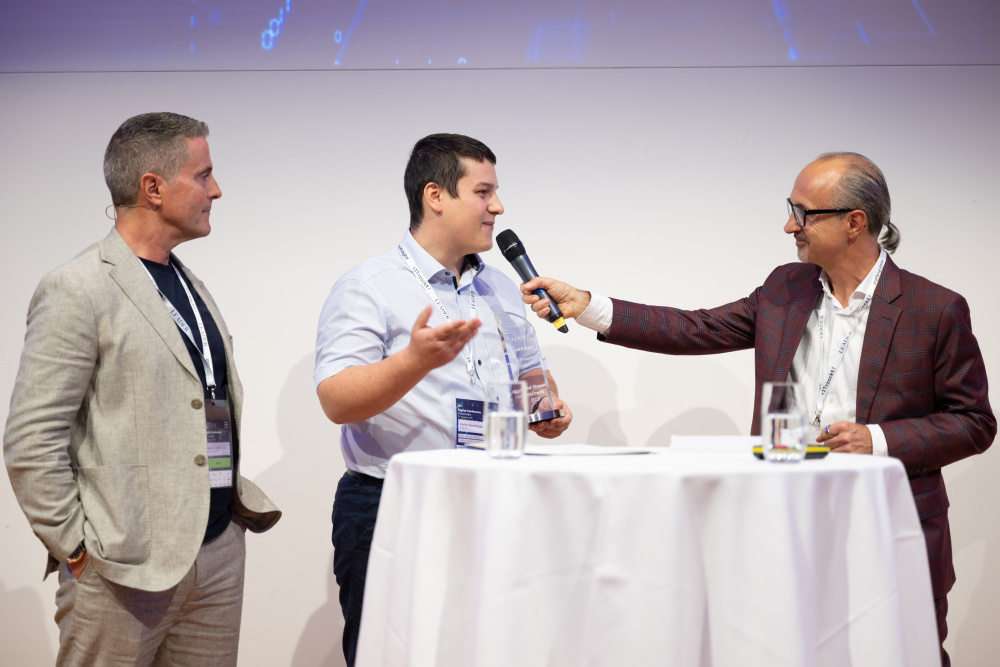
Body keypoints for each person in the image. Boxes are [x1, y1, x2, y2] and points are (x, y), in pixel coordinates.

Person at [521, 152, 994, 667]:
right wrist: (588, 305)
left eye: (803, 213)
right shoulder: (786, 288)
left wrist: (876, 440)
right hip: (781, 521)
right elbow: (695, 328)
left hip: (885, 523)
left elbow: (973, 422)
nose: (789, 225)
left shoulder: (934, 309)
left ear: (855, 222)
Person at [3, 112, 281, 666]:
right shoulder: (77, 287)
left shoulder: (187, 283)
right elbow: (31, 438)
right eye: (203, 175)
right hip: (121, 568)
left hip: (216, 553)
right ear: (152, 188)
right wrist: (76, 550)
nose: (216, 190)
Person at [314, 133, 573, 666]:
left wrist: (546, 405)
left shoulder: (501, 289)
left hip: (496, 497)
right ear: (435, 195)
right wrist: (414, 361)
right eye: (483, 192)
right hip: (396, 502)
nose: (498, 207)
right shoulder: (369, 286)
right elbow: (336, 400)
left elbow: (531, 375)